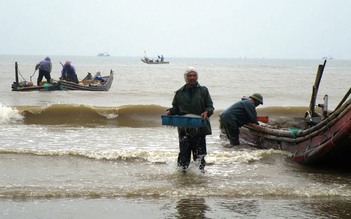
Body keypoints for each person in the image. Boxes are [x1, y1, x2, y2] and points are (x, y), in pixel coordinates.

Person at [165, 67, 214, 173]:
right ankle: (182, 176)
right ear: (186, 78)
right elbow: (176, 109)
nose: (192, 78)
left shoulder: (203, 91)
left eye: (194, 75)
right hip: (184, 128)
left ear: (197, 77)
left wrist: (207, 112)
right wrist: (170, 112)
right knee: (184, 154)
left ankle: (200, 176)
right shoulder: (179, 93)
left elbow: (210, 107)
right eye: (190, 76)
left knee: (200, 155)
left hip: (199, 127)